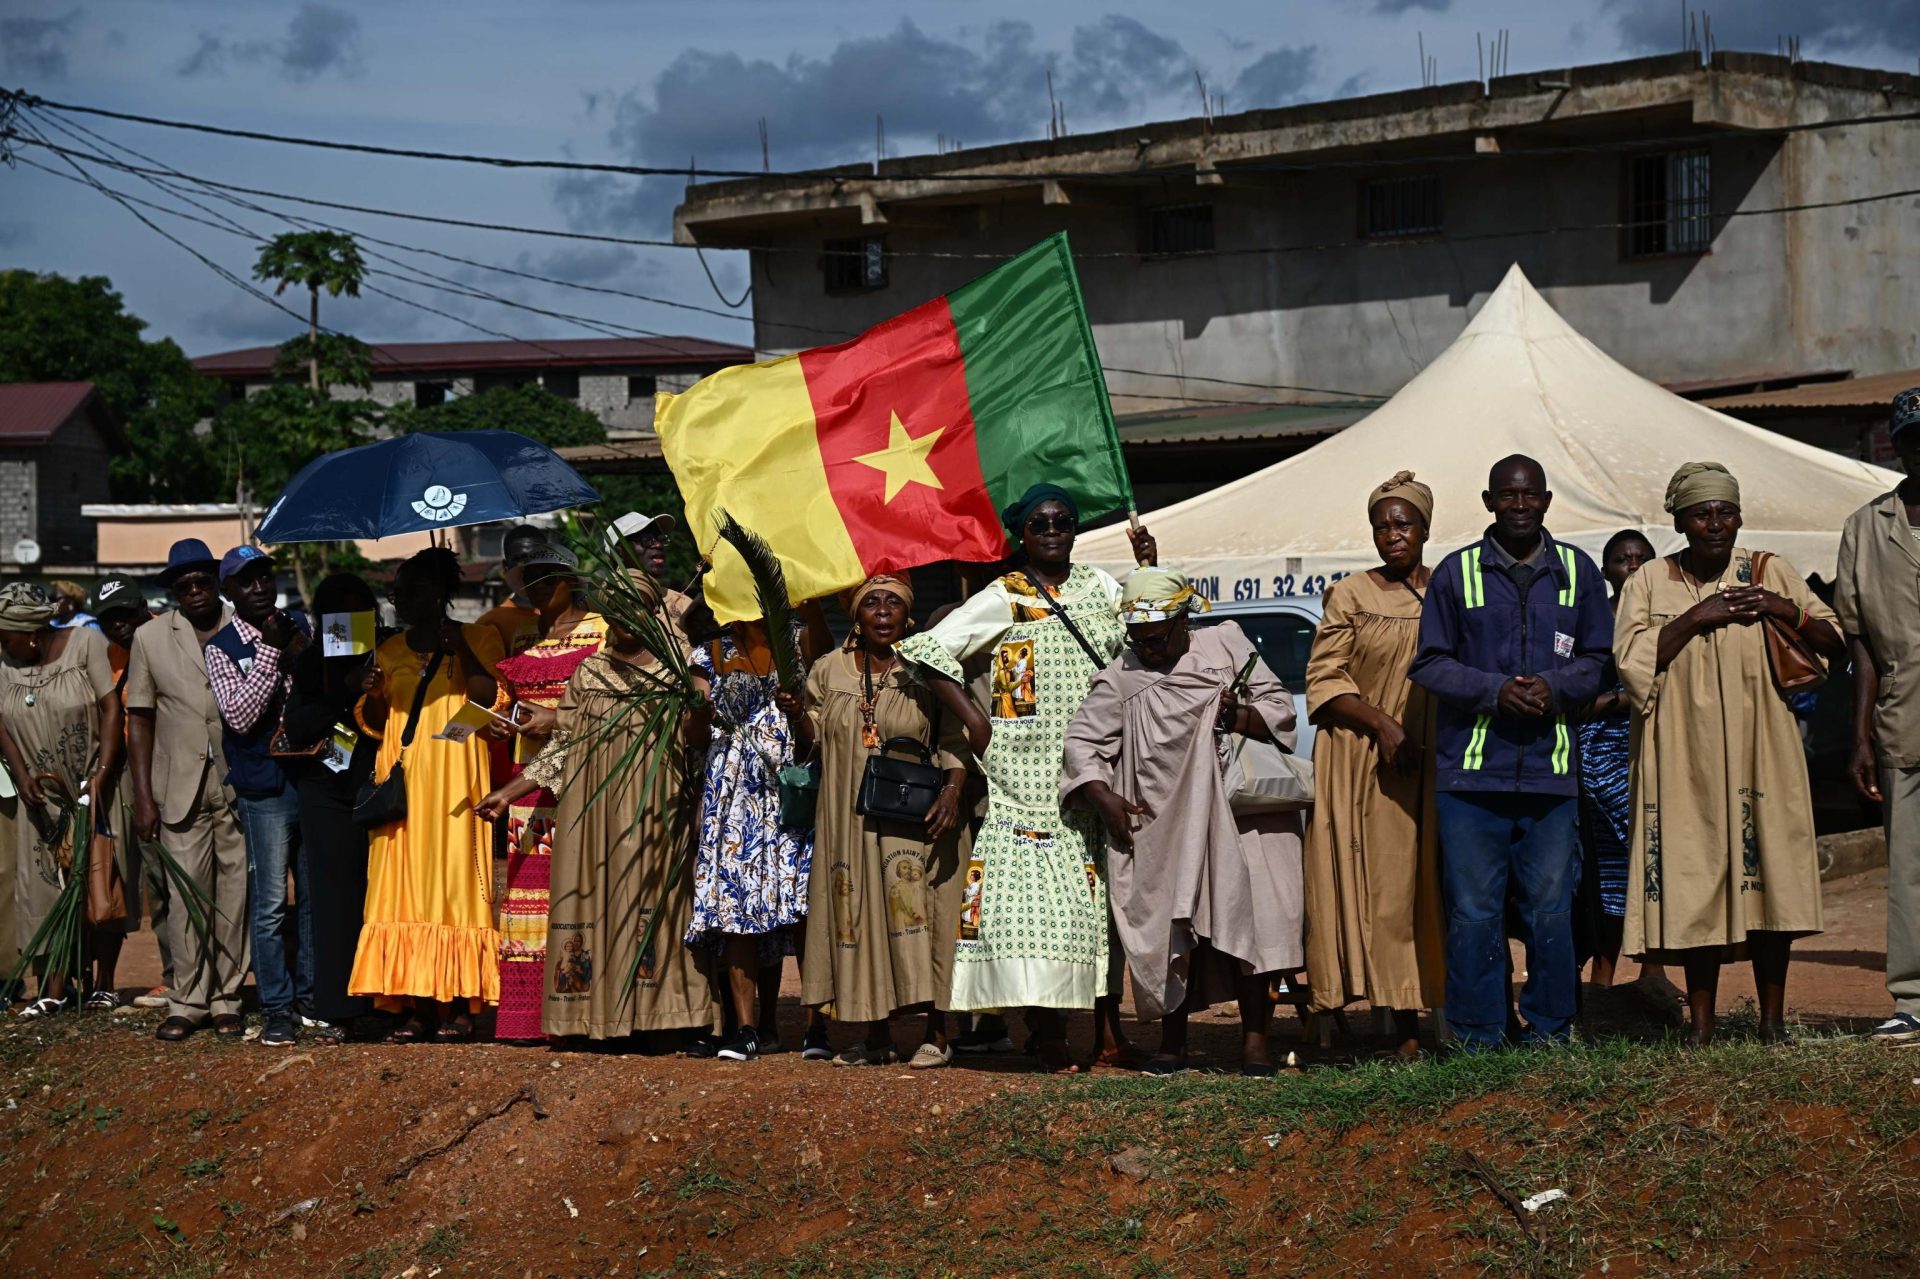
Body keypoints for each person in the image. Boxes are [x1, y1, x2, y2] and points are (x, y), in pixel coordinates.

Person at [895, 484, 1155, 1073]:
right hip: (1029, 781)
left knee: (1103, 909)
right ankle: (1051, 1035)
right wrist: (976, 721)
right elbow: (927, 650)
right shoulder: (1003, 596)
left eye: (1063, 519)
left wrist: (1149, 570)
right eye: (1040, 522)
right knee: (1041, 913)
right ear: (1022, 534)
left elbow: (1147, 628)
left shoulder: (1101, 587)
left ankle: (1110, 1035)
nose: (1054, 528)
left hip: (1101, 767)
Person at [1616, 463, 1843, 1046]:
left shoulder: (1769, 570)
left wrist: (1780, 607)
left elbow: (1832, 640)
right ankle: (1701, 1026)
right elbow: (1630, 662)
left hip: (1760, 748)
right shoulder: (1649, 581)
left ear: (1739, 516)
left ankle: (1772, 1023)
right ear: (1680, 520)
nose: (1716, 523)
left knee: (1770, 875)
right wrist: (1697, 617)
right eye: (1702, 513)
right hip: (1681, 754)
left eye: (1725, 512)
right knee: (1695, 882)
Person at [1062, 568, 1303, 1075]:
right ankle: (1174, 1043)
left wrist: (1235, 716)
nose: (1147, 648)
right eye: (1138, 639)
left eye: (1157, 638)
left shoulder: (1226, 644)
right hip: (1165, 824)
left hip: (1240, 818)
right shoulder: (1119, 677)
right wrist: (1104, 798)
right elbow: (1083, 743)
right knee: (1173, 928)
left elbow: (1280, 709)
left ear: (1183, 620)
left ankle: (1255, 1042)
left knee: (1253, 919)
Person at [1410, 455, 1612, 1052]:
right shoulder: (1455, 573)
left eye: (1529, 496)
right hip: (1471, 778)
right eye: (1507, 495)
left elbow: (1600, 659)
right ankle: (1479, 1036)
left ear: (1547, 500)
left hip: (1551, 773)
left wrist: (1559, 687)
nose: (1519, 506)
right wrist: (1493, 692)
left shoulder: (1578, 572)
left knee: (1552, 908)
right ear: (1488, 500)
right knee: (1474, 911)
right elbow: (1429, 662)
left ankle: (1550, 1030)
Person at [479, 572, 714, 1041]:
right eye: (618, 607)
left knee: (651, 903)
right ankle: (594, 1019)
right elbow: (565, 745)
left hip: (652, 806)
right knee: (593, 902)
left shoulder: (678, 666)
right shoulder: (589, 671)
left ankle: (662, 1020)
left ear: (652, 612)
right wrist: (509, 794)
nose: (627, 617)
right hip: (590, 813)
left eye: (638, 606)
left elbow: (698, 742)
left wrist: (698, 707)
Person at [777, 574, 970, 1068]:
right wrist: (798, 713)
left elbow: (956, 737)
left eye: (893, 604)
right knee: (859, 912)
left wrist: (951, 793)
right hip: (850, 819)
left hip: (917, 815)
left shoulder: (927, 667)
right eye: (871, 604)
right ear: (857, 618)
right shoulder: (828, 669)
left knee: (923, 913)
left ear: (907, 616)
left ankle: (937, 1032)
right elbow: (811, 744)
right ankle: (876, 1033)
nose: (882, 612)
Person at [1302, 472, 1445, 1060]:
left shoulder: (1447, 589)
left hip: (1430, 759)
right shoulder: (1351, 594)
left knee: (1422, 885)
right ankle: (1387, 1023)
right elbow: (1323, 678)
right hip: (1362, 755)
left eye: (1403, 523)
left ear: (1424, 528)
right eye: (1382, 525)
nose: (1392, 534)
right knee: (1374, 883)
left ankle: (1428, 1013)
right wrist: (1384, 724)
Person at [349, 546, 506, 1041]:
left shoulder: (479, 636)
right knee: (405, 889)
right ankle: (416, 1004)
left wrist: (457, 643)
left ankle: (459, 1005)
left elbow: (488, 699)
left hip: (457, 779)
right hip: (404, 786)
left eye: (408, 592)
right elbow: (376, 726)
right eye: (395, 592)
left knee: (454, 887)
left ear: (437, 594)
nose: (397, 601)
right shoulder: (389, 650)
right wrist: (373, 693)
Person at [685, 605, 827, 1063]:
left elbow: (817, 718)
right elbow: (694, 735)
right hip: (734, 792)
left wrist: (796, 707)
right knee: (738, 903)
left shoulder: (800, 640)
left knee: (802, 904)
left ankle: (815, 1025)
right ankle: (745, 1028)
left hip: (791, 787)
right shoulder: (709, 652)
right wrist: (701, 712)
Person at [127, 540, 249, 1041]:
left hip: (239, 782)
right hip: (176, 786)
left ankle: (228, 998)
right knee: (185, 897)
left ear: (218, 583)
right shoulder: (151, 638)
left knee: (235, 894)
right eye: (185, 587)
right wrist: (143, 796)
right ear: (173, 592)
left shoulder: (245, 627)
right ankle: (188, 999)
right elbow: (139, 718)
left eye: (203, 582)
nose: (195, 592)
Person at [489, 541, 607, 1041]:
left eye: (542, 579)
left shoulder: (601, 631)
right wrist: (501, 723)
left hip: (584, 776)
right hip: (529, 783)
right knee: (531, 890)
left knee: (577, 887)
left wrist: (555, 719)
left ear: (567, 580)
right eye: (525, 579)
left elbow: (608, 702)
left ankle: (579, 1009)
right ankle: (531, 1015)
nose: (532, 589)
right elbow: (509, 705)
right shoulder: (522, 639)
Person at [204, 545, 312, 1047]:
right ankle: (276, 1007)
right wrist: (270, 653)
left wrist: (298, 654)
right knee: (270, 904)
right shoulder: (222, 648)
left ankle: (311, 998)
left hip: (310, 780)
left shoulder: (300, 628)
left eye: (265, 576)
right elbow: (241, 718)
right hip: (264, 788)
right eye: (247, 581)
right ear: (229, 591)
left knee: (311, 897)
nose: (260, 587)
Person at [1840, 388, 1920, 1045]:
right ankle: (1913, 998)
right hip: (1902, 712)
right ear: (1898, 444)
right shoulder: (1867, 526)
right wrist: (1860, 731)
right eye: (1914, 438)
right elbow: (1858, 637)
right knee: (1908, 863)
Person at [0, 583, 121, 1016]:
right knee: (41, 888)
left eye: (5, 635)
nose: (2, 643)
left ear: (30, 631)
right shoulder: (3, 662)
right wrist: (19, 772)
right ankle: (53, 987)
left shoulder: (86, 643)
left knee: (97, 881)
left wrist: (102, 775)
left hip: (90, 786)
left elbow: (111, 708)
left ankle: (103, 983)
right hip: (40, 795)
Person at [1573, 530, 1678, 1006]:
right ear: (1605, 570)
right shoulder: (1596, 621)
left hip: (1656, 746)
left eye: (1641, 558)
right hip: (1601, 752)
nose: (1632, 567)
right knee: (1612, 864)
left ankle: (1651, 970)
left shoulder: (1669, 618)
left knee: (1650, 855)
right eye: (1621, 559)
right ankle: (1605, 972)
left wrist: (1618, 698)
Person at [281, 573, 387, 1040]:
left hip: (381, 786)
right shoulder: (312, 663)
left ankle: (386, 998)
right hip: (325, 791)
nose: (347, 623)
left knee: (382, 896)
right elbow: (299, 726)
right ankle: (337, 1004)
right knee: (331, 899)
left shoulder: (390, 652)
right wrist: (345, 687)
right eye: (337, 614)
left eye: (357, 612)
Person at [87, 575, 160, 1009]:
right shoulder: (109, 656)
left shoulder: (169, 638)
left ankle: (175, 975)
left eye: (126, 614)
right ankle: (101, 980)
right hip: (120, 776)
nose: (119, 625)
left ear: (143, 607)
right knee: (121, 871)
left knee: (164, 873)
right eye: (109, 619)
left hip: (164, 768)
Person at [475, 524, 550, 661]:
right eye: (519, 558)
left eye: (535, 557)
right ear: (506, 567)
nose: (527, 566)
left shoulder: (568, 613)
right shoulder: (491, 623)